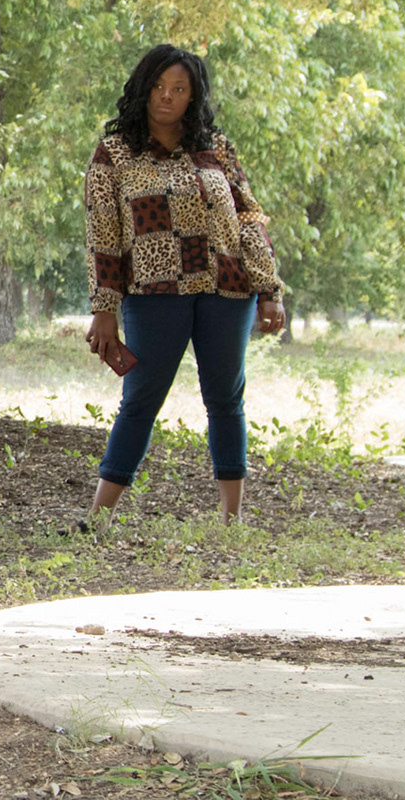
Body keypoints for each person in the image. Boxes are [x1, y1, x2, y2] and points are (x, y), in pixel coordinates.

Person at [83, 44, 286, 525]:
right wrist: (104, 307)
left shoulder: (215, 148)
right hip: (155, 292)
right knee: (140, 400)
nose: (165, 98)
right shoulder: (114, 154)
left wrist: (270, 289)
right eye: (157, 86)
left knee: (225, 399)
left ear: (193, 97)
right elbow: (102, 233)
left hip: (227, 288)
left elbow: (248, 217)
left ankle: (232, 519)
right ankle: (97, 519)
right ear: (141, 88)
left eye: (178, 89)